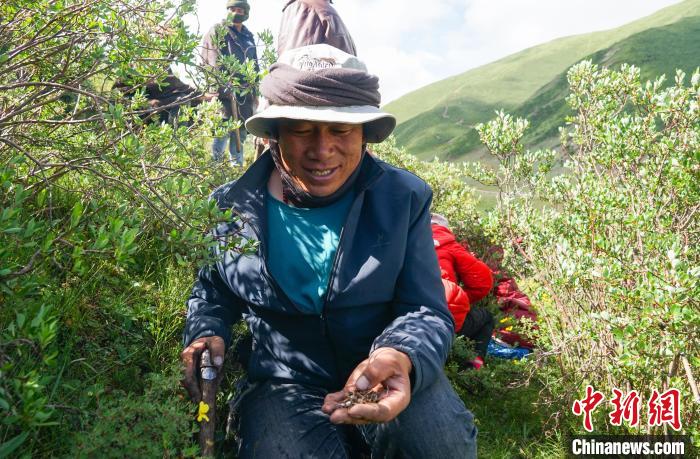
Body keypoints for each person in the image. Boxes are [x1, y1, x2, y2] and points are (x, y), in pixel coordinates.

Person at [181, 44, 477, 458]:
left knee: (439, 445)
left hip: (379, 369)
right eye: (302, 130)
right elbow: (213, 291)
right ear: (274, 135)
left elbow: (424, 308)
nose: (322, 150)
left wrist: (398, 356)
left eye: (340, 130)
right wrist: (206, 330)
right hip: (283, 381)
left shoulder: (403, 198)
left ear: (365, 135)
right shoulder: (232, 206)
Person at [201, 0, 259, 166]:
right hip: (224, 95)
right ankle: (215, 171)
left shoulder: (248, 36)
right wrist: (222, 87)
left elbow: (254, 65)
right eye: (232, 9)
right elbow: (212, 61)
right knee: (222, 134)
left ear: (245, 13)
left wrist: (255, 92)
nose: (235, 13)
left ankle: (237, 172)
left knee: (240, 136)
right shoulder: (218, 31)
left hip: (245, 96)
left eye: (239, 10)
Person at [431, 213, 494, 366]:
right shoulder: (449, 244)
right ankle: (473, 364)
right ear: (444, 228)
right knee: (487, 317)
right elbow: (483, 282)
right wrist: (461, 298)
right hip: (443, 312)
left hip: (402, 315)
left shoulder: (404, 239)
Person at [277, 0, 357, 56]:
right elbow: (347, 61)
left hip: (289, 72)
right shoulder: (320, 9)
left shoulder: (292, 10)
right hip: (311, 73)